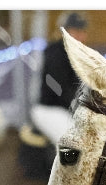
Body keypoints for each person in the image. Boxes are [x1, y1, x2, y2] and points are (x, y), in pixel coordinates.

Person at [31, 11, 89, 144]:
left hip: (67, 109)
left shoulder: (79, 55)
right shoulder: (55, 53)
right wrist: (79, 107)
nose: (80, 36)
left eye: (83, 31)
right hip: (50, 110)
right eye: (76, 31)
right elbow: (57, 88)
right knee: (72, 141)